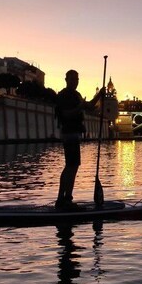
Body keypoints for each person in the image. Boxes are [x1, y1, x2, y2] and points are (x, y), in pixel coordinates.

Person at [54, 69, 104, 209]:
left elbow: (89, 107)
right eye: (72, 79)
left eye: (77, 79)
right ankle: (64, 200)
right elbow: (66, 114)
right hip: (69, 134)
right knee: (71, 166)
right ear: (66, 80)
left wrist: (99, 95)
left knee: (73, 166)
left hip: (74, 134)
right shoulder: (63, 95)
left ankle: (65, 199)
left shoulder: (76, 95)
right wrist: (79, 107)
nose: (75, 82)